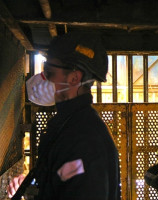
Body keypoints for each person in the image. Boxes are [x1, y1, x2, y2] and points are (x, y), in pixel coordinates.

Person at [7, 34, 121, 199]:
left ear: (74, 78)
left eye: (49, 71)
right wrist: (33, 183)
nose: (43, 78)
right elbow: (64, 174)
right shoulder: (72, 126)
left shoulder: (84, 139)